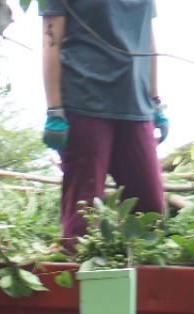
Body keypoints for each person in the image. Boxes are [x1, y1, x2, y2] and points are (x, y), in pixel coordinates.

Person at [42, 0, 167, 244]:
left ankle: (130, 263)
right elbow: (50, 41)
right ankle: (76, 261)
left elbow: (147, 38)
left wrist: (155, 101)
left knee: (150, 210)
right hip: (85, 102)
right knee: (82, 217)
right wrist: (54, 109)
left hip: (135, 105)